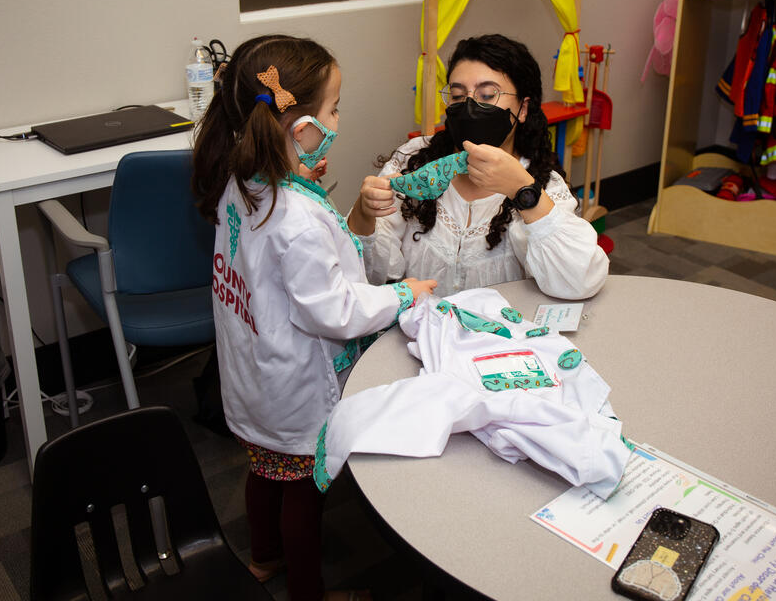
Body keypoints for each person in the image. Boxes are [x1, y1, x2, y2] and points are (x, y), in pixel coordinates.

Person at [191, 34, 436, 601]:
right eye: (332, 109)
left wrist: (301, 179)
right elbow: (335, 308)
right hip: (292, 385)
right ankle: (308, 592)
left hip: (254, 378)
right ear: (300, 127)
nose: (337, 119)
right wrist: (403, 295)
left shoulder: (244, 183)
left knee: (263, 471)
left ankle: (263, 557)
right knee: (303, 489)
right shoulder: (295, 218)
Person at [347, 34, 608, 299]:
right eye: (458, 96)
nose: (470, 106)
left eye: (487, 94)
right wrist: (363, 213)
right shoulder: (414, 161)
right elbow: (366, 276)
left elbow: (579, 282)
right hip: (422, 332)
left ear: (523, 108)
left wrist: (523, 192)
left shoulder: (540, 182)